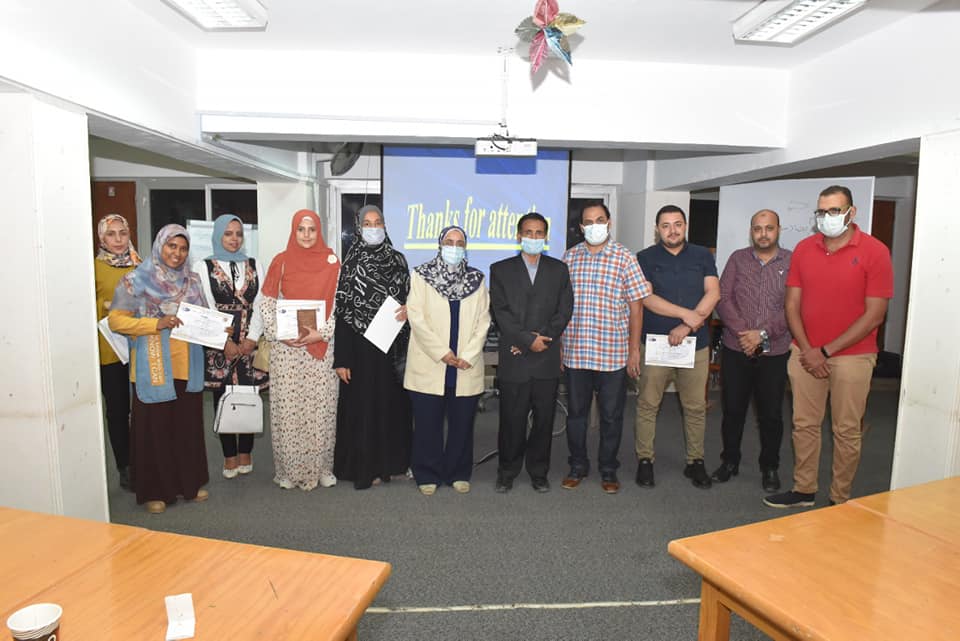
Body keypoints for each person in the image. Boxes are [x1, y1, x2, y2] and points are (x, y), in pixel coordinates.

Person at [765, 185, 893, 508]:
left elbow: (875, 315)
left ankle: (839, 499)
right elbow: (791, 305)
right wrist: (810, 349)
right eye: (821, 212)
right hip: (805, 352)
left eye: (834, 211)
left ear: (851, 213)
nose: (827, 217)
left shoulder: (875, 251)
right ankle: (804, 490)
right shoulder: (804, 249)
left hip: (853, 356)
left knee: (846, 430)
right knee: (804, 425)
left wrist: (825, 352)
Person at [108, 224, 210, 514]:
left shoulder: (192, 281)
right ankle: (155, 490)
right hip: (152, 364)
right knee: (155, 429)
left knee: (186, 426)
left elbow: (203, 315)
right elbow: (116, 320)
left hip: (187, 364)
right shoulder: (136, 279)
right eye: (171, 246)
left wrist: (218, 329)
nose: (177, 253)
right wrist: (155, 323)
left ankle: (187, 484)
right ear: (159, 246)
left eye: (183, 248)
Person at [562, 202, 650, 494]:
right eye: (588, 222)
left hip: (612, 354)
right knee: (576, 415)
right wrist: (560, 348)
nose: (594, 226)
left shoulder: (625, 257)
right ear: (581, 227)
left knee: (612, 417)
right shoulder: (570, 257)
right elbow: (561, 307)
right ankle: (577, 465)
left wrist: (634, 350)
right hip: (576, 352)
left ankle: (608, 468)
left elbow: (636, 308)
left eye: (600, 220)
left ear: (609, 223)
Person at [635, 205, 720, 490]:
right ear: (657, 229)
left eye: (677, 224)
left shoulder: (702, 255)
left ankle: (695, 461)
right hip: (656, 344)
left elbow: (713, 292)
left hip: (695, 345)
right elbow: (647, 298)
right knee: (648, 405)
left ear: (685, 226)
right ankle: (645, 460)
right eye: (666, 225)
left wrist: (686, 326)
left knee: (695, 407)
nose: (672, 230)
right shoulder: (645, 257)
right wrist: (686, 314)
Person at [489, 212, 573, 493]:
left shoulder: (559, 270)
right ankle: (507, 471)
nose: (533, 237)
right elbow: (500, 312)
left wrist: (540, 339)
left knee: (544, 420)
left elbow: (564, 310)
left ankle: (539, 472)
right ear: (518, 236)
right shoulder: (500, 269)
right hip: (515, 358)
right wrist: (526, 340)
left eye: (539, 233)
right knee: (511, 420)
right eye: (528, 232)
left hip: (546, 357)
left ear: (545, 238)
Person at [405, 226, 490, 496]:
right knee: (427, 423)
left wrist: (467, 355)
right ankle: (426, 473)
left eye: (460, 242)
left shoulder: (477, 279)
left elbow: (484, 321)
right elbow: (416, 317)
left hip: (465, 365)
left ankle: (458, 472)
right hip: (430, 361)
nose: (454, 247)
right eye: (449, 241)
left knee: (462, 423)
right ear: (439, 245)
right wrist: (442, 352)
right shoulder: (421, 276)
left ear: (466, 247)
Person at [333, 205, 413, 490]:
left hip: (393, 346)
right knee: (364, 408)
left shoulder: (398, 260)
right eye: (367, 223)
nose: (373, 227)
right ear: (358, 228)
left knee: (394, 406)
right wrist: (342, 358)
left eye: (378, 222)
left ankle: (394, 463)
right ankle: (366, 467)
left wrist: (409, 309)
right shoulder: (351, 263)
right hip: (361, 350)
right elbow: (343, 312)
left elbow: (410, 298)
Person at [260, 210, 340, 491]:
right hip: (287, 350)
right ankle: (288, 470)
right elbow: (267, 304)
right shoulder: (280, 262)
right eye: (301, 229)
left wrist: (322, 333)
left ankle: (322, 469)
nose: (306, 235)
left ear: (319, 232)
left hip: (320, 348)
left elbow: (340, 305)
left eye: (312, 229)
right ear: (293, 232)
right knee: (289, 411)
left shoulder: (333, 263)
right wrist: (280, 335)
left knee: (321, 409)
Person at [712, 210, 791, 492]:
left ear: (778, 230)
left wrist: (763, 333)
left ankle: (769, 466)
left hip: (775, 351)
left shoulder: (792, 262)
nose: (763, 234)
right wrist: (745, 333)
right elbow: (723, 297)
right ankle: (729, 461)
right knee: (733, 410)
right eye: (757, 229)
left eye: (769, 228)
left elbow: (794, 306)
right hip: (737, 348)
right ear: (751, 231)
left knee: (771, 414)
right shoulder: (737, 259)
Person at [193, 214, 268, 480]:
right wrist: (223, 341)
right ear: (218, 236)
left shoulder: (255, 264)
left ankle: (246, 451)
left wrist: (252, 338)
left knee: (248, 395)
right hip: (219, 342)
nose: (234, 239)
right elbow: (205, 305)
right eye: (228, 233)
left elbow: (261, 303)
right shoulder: (203, 266)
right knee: (222, 396)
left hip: (249, 342)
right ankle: (229, 454)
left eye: (238, 234)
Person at [94, 213, 141, 491]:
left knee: (144, 408)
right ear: (102, 237)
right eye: (111, 234)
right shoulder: (94, 268)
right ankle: (125, 466)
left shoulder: (140, 264)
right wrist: (108, 306)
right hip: (110, 349)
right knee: (118, 409)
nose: (118, 239)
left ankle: (145, 460)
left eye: (123, 233)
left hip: (140, 345)